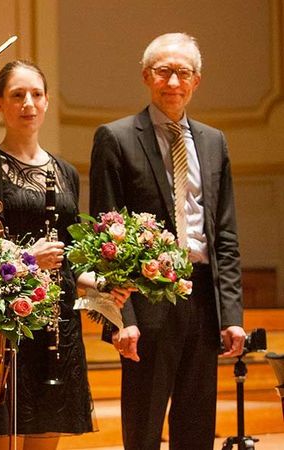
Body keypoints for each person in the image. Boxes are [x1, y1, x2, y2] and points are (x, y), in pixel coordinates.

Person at [0, 60, 132, 450]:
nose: (28, 103)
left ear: (47, 102)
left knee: (47, 433)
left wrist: (101, 286)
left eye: (36, 95)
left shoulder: (65, 172)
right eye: (17, 95)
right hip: (5, 324)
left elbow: (68, 257)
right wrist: (25, 258)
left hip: (58, 322)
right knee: (1, 433)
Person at [89, 32, 246, 449]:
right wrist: (123, 318)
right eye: (163, 72)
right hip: (147, 300)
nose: (173, 82)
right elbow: (105, 237)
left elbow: (225, 235)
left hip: (202, 302)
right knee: (143, 427)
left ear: (197, 80)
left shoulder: (214, 142)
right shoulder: (115, 138)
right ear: (146, 76)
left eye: (182, 73)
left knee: (196, 426)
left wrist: (231, 313)